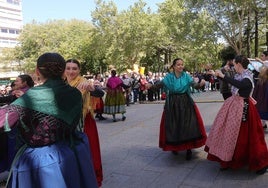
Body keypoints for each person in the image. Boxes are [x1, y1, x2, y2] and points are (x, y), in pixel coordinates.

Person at [0, 52, 98, 187]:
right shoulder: (74, 92)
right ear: (63, 71)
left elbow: (3, 120)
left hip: (43, 163)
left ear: (37, 71)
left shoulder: (32, 96)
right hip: (73, 153)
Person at [205, 55, 268, 175]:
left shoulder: (247, 77)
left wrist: (223, 76)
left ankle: (259, 162)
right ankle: (228, 158)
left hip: (244, 109)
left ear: (239, 64)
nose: (233, 66)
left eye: (234, 64)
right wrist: (219, 75)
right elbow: (233, 81)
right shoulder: (239, 75)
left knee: (249, 135)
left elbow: (241, 85)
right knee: (230, 133)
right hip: (234, 106)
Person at [147, 58, 207, 160]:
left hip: (185, 103)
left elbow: (195, 85)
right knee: (173, 125)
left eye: (182, 64)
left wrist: (201, 84)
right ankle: (174, 146)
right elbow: (158, 86)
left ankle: (188, 149)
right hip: (172, 104)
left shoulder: (186, 76)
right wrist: (150, 86)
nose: (181, 66)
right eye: (178, 65)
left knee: (187, 125)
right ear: (174, 66)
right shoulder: (168, 77)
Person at [65, 59, 103, 187]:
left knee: (86, 151)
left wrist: (92, 89)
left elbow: (100, 93)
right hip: (66, 122)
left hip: (84, 121)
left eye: (74, 68)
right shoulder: (62, 83)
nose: (71, 71)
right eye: (68, 68)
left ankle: (88, 177)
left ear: (79, 70)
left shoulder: (83, 82)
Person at [0, 74, 35, 176]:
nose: (15, 82)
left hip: (17, 126)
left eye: (17, 81)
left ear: (24, 83)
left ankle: (12, 171)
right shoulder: (25, 92)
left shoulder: (23, 93)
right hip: (20, 126)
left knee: (13, 148)